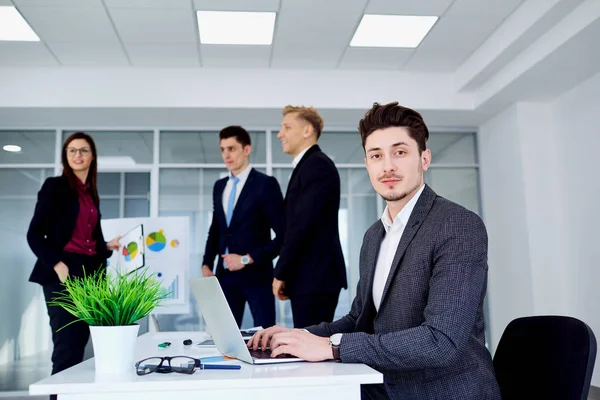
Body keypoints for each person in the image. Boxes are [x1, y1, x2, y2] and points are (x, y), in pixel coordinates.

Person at [249, 102, 501, 400]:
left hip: (440, 391)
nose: (388, 166)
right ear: (367, 164)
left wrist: (333, 348)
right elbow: (359, 320)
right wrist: (300, 335)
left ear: (424, 159)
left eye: (400, 152)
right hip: (383, 384)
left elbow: (440, 341)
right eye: (376, 155)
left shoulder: (456, 225)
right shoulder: (374, 236)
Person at [27, 132, 121, 379]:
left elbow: (88, 237)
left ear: (93, 157)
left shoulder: (90, 193)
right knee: (67, 348)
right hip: (64, 275)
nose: (78, 155)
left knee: (81, 345)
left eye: (83, 150)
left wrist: (106, 245)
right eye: (72, 150)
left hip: (91, 274)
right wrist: (57, 263)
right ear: (65, 156)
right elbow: (34, 234)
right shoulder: (54, 187)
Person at [202, 126, 284, 328]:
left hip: (257, 274)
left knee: (265, 336)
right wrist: (206, 262)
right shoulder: (219, 186)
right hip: (225, 275)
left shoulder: (266, 184)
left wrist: (246, 259)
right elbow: (217, 228)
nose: (226, 155)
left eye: (232, 148)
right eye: (222, 149)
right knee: (225, 336)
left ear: (246, 150)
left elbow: (283, 236)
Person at [273, 105, 348, 328]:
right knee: (308, 350)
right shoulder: (307, 166)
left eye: (287, 127)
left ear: (307, 131)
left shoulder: (317, 166)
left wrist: (281, 272)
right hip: (308, 277)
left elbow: (301, 226)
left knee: (311, 353)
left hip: (316, 278)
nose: (280, 134)